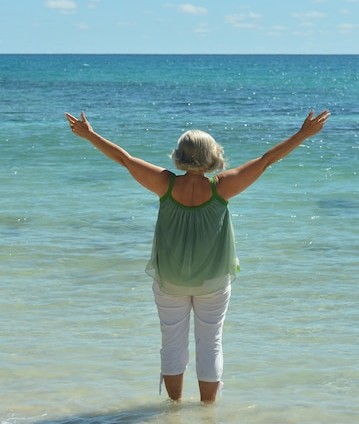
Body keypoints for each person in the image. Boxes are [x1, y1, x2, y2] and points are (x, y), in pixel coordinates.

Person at [65, 109, 330, 403]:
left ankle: (174, 407)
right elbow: (266, 161)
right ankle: (207, 413)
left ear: (180, 154)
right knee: (211, 344)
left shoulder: (165, 184)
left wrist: (89, 135)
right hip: (213, 280)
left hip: (170, 279)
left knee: (171, 343)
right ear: (212, 155)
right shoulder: (223, 186)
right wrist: (303, 135)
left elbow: (124, 159)